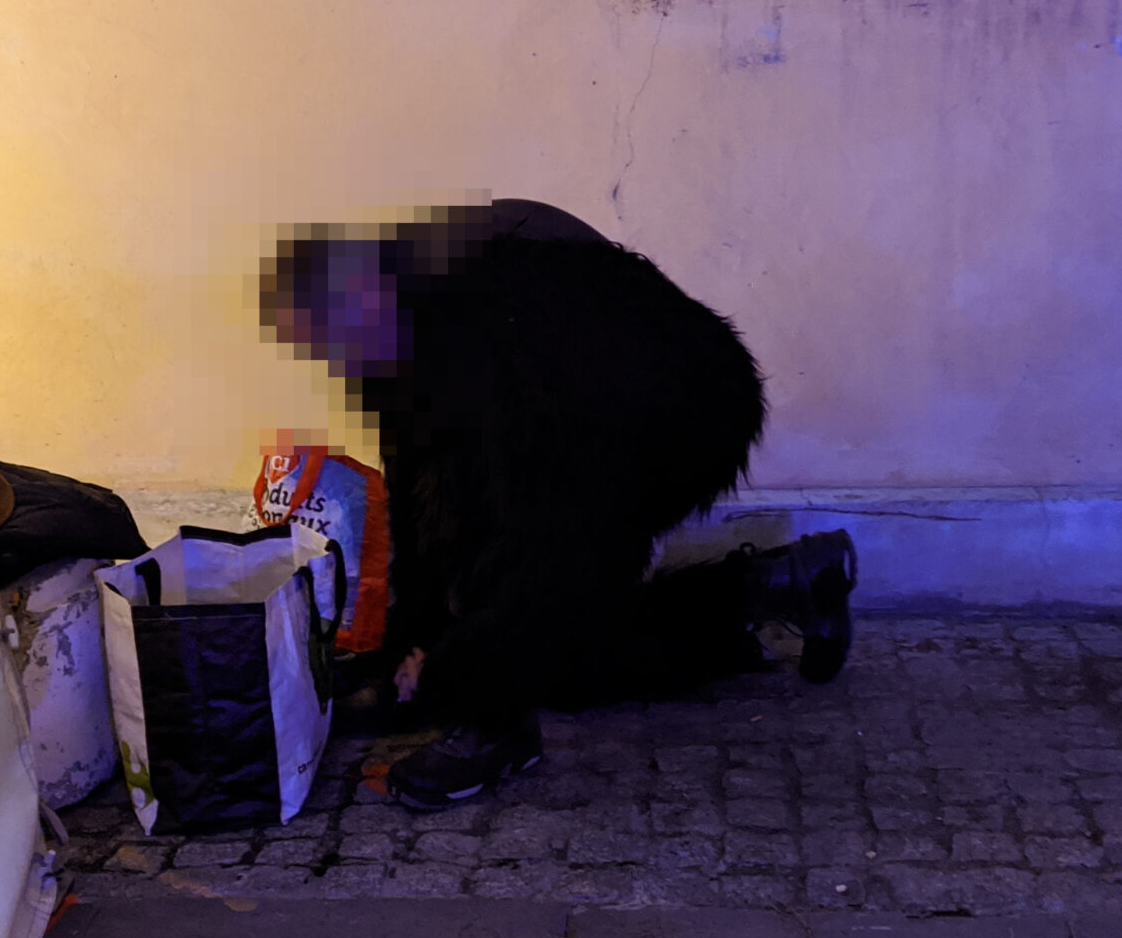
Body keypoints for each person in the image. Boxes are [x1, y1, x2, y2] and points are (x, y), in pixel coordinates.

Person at [261, 199, 855, 809]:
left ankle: (500, 734)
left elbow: (550, 544)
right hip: (610, 393)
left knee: (551, 639)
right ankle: (779, 585)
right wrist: (406, 656)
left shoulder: (506, 338)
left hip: (684, 414)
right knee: (543, 636)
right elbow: (420, 507)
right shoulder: (404, 320)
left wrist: (468, 683)